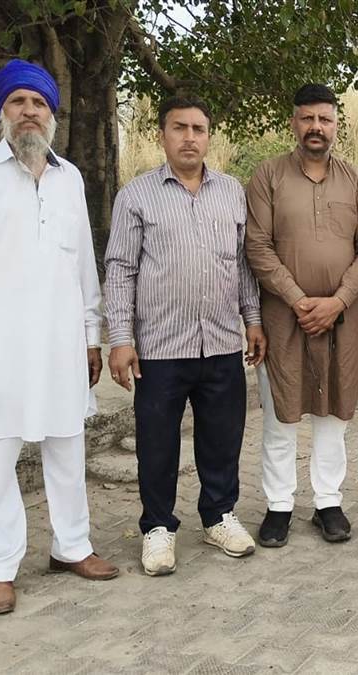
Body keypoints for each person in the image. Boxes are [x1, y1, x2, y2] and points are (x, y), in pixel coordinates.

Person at [0, 59, 118, 615]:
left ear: (52, 114)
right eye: (18, 102)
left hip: (61, 345)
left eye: (39, 103)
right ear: (1, 112)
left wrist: (91, 337)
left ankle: (71, 547)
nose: (29, 111)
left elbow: (83, 265)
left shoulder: (70, 177)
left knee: (67, 446)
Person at [104, 96, 267, 575]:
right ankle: (158, 527)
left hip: (221, 342)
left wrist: (253, 319)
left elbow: (242, 265)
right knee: (157, 442)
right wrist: (121, 338)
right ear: (162, 135)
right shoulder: (136, 196)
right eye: (179, 128)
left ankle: (218, 515)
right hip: (160, 347)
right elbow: (120, 270)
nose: (190, 137)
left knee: (222, 438)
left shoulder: (232, 192)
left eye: (199, 128)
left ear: (209, 137)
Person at [244, 83, 358, 545]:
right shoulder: (268, 176)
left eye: (325, 119)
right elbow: (257, 246)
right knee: (280, 414)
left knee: (333, 414)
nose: (316, 127)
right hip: (284, 317)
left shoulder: (357, 181)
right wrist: (298, 299)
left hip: (341, 320)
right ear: (294, 123)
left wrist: (338, 301)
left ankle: (328, 502)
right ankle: (279, 506)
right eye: (307, 118)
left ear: (336, 125)